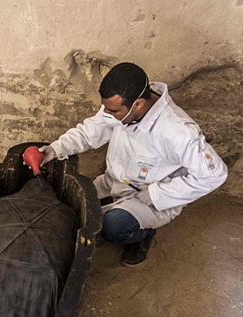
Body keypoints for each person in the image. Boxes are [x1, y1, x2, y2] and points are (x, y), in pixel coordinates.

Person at [40, 62, 228, 266]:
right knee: (73, 209)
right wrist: (56, 149)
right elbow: (91, 130)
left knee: (112, 227)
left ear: (137, 104)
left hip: (149, 198)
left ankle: (143, 236)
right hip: (113, 184)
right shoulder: (122, 106)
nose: (106, 113)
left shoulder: (178, 132)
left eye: (113, 110)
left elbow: (214, 175)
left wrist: (156, 194)